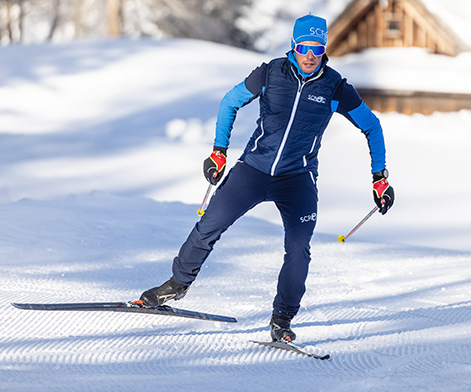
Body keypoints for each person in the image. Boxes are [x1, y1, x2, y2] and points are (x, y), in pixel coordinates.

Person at [140, 14, 395, 342]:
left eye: (317, 49)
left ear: (324, 50)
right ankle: (176, 285)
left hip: (297, 179)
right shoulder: (270, 73)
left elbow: (372, 126)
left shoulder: (336, 88)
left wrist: (380, 177)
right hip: (253, 170)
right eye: (304, 47)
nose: (309, 55)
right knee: (209, 226)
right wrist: (219, 151)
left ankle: (282, 319)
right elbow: (230, 102)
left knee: (299, 247)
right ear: (294, 45)